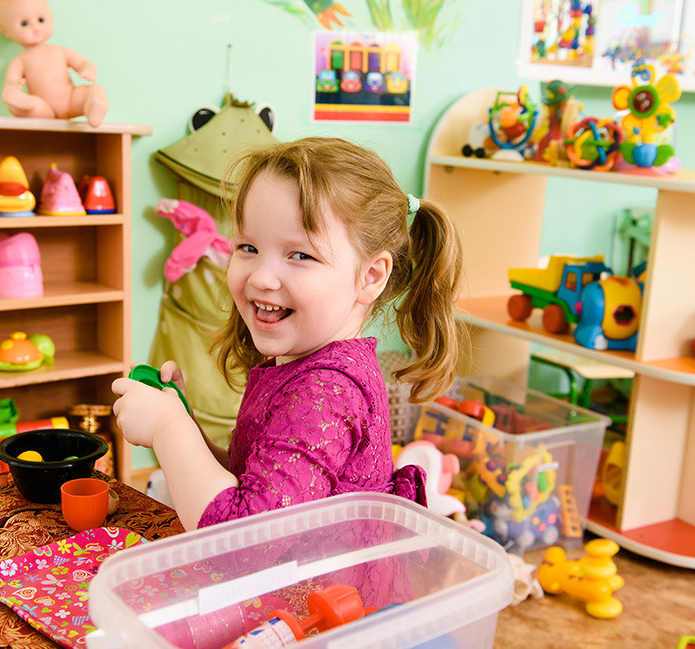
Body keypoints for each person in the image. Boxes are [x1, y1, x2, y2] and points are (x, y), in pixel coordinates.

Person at [112, 137, 464, 531]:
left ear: (371, 276)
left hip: (321, 592)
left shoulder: (326, 391)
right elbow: (257, 485)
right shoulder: (303, 362)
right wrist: (187, 428)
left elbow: (240, 538)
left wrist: (167, 428)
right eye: (247, 246)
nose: (261, 277)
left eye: (300, 255)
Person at [0, 0, 108, 126]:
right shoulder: (20, 61)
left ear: (51, 19)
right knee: (30, 105)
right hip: (44, 109)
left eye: (41, 20)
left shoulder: (60, 51)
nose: (35, 27)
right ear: (6, 31)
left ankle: (92, 108)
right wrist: (13, 86)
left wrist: (87, 69)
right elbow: (11, 81)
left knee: (96, 90)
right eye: (24, 23)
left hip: (71, 99)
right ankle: (22, 104)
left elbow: (83, 63)